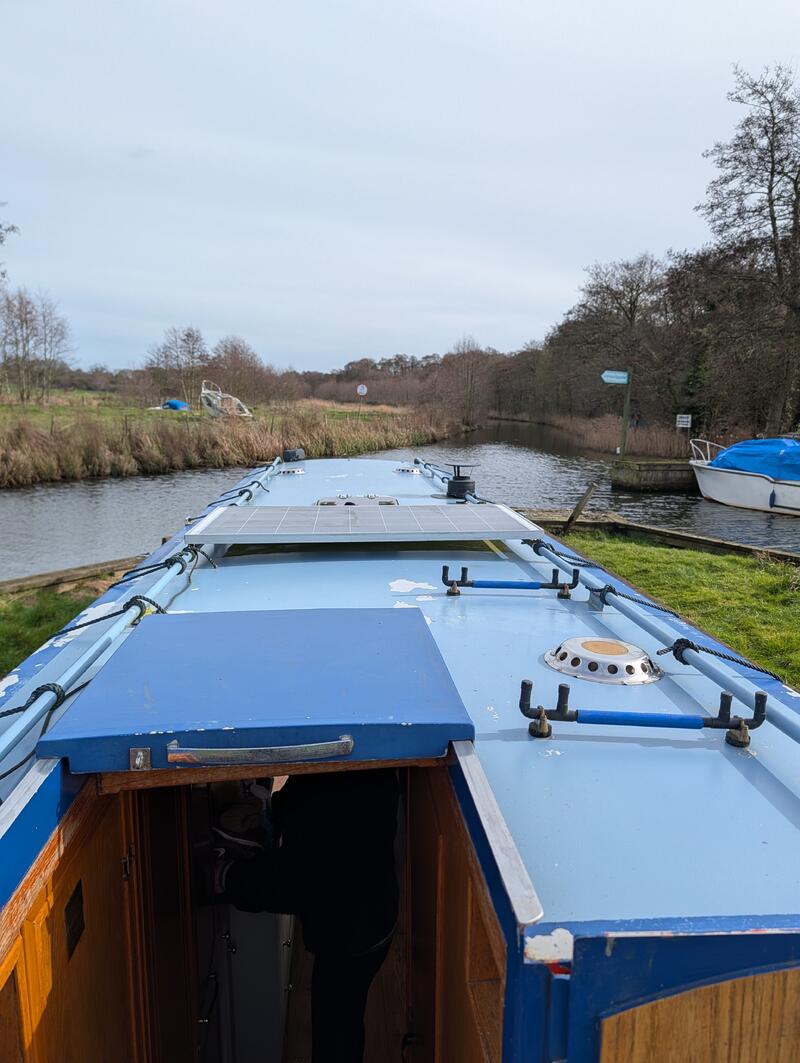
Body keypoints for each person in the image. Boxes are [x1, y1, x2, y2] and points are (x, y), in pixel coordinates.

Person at [214, 769, 400, 1063]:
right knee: (344, 1018)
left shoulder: (330, 804)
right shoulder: (350, 769)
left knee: (336, 1033)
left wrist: (227, 877)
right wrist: (269, 811)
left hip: (351, 933)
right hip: (371, 911)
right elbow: (304, 792)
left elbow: (291, 886)